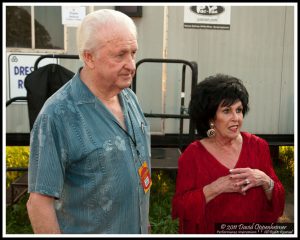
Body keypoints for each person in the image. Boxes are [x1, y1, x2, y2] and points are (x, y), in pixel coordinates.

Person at [26, 9, 152, 234]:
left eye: (133, 53)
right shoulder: (57, 115)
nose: (131, 65)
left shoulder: (129, 98)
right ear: (89, 57)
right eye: (120, 55)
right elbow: (39, 205)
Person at [172, 74, 285, 234]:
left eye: (239, 110)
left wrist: (265, 180)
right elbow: (180, 207)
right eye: (226, 111)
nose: (236, 118)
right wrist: (215, 188)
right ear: (211, 117)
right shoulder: (193, 155)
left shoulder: (258, 146)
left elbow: (278, 199)